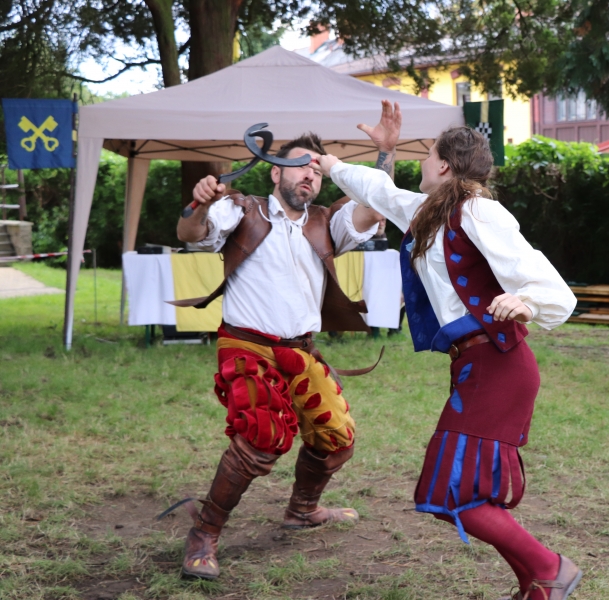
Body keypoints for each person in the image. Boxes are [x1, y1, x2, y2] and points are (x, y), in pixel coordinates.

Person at [319, 121, 581, 600]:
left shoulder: (480, 211)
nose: (421, 163)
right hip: (475, 366)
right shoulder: (430, 211)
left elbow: (549, 284)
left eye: (427, 155)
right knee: (457, 493)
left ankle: (551, 569)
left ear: (443, 165)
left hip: (499, 364)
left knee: (447, 493)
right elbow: (379, 191)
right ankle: (535, 584)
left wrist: (527, 302)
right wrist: (330, 164)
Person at [171, 101, 400, 580]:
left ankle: (302, 510)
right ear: (275, 172)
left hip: (299, 350)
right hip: (247, 346)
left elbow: (374, 205)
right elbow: (191, 232)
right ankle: (205, 532)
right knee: (261, 436)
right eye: (299, 166)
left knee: (337, 437)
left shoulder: (326, 221)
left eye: (316, 170)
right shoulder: (242, 209)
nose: (309, 175)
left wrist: (385, 153)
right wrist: (200, 203)